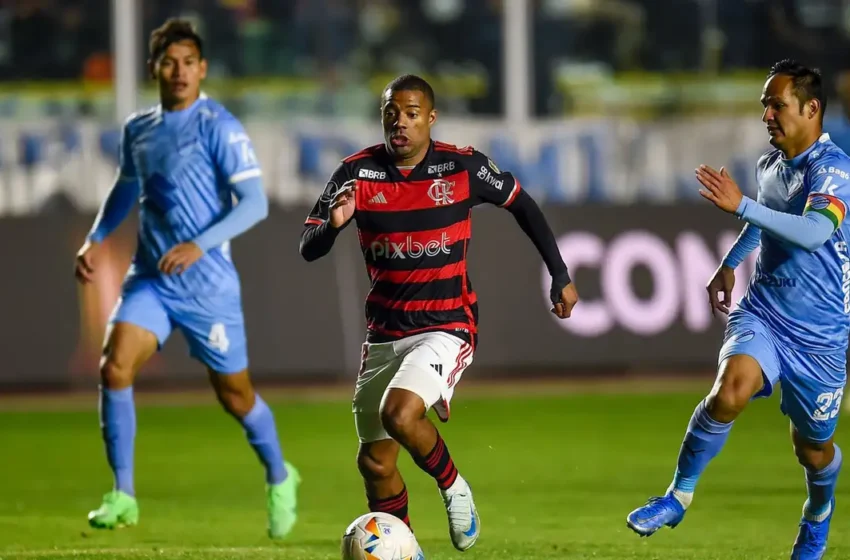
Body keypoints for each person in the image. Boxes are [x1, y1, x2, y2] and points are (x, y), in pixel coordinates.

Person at [299, 74, 578, 552]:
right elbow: (308, 247)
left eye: (411, 114)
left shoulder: (462, 167)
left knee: (401, 414)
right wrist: (333, 225)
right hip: (385, 332)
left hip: (447, 324)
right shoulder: (355, 173)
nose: (400, 123)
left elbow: (522, 204)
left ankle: (454, 488)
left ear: (430, 118)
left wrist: (560, 272)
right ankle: (410, 549)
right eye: (392, 113)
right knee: (376, 464)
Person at [74, 18, 299, 539]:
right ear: (154, 67)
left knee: (235, 396)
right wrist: (96, 236)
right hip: (151, 279)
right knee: (114, 368)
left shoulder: (218, 126)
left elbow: (256, 204)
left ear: (202, 70)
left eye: (189, 63)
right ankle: (123, 494)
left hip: (208, 287)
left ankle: (280, 476)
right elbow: (126, 189)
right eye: (169, 62)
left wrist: (200, 244)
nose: (179, 72)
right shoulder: (139, 129)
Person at [626, 59, 849, 560]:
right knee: (730, 391)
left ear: (811, 109)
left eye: (777, 105)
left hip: (821, 337)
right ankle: (677, 496)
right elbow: (768, 221)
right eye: (764, 105)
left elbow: (815, 232)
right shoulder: (772, 165)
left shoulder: (834, 170)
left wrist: (742, 206)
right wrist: (729, 263)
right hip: (765, 312)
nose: (767, 115)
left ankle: (818, 514)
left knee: (813, 450)